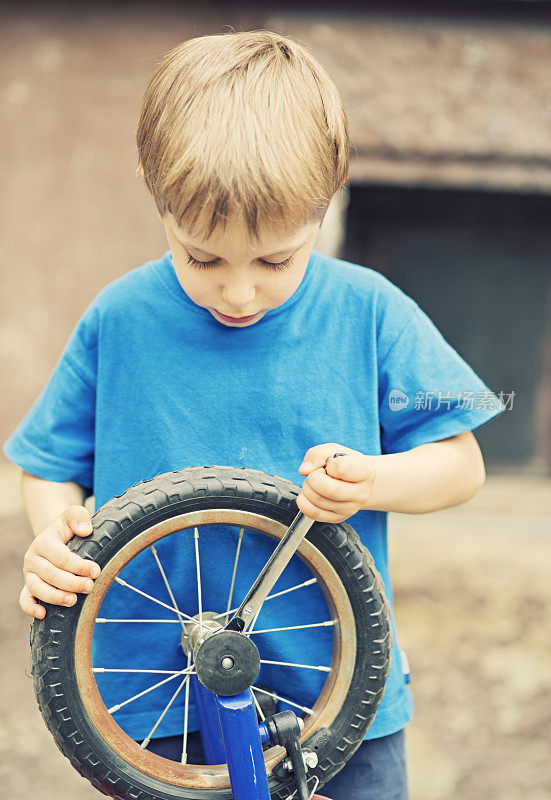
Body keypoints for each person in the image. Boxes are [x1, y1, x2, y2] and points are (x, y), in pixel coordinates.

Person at [4, 30, 504, 800]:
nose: (238, 293)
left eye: (276, 260)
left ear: (329, 194)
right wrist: (53, 534)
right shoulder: (120, 317)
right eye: (201, 257)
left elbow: (459, 464)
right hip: (148, 696)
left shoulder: (369, 311)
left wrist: (372, 480)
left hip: (334, 689)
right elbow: (48, 464)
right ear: (154, 189)